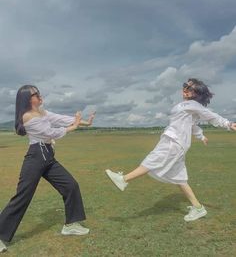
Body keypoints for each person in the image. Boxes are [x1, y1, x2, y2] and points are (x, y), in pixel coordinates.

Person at [105, 78, 236, 222]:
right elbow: (192, 125)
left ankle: (123, 179)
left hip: (174, 142)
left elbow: (211, 115)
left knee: (152, 159)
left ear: (195, 94)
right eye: (185, 85)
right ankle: (198, 208)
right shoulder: (187, 106)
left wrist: (228, 124)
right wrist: (201, 136)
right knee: (180, 178)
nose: (185, 88)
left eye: (189, 87)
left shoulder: (192, 105)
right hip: (176, 141)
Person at [0, 85, 95, 253]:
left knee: (70, 185)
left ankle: (71, 225)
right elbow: (51, 132)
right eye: (35, 94)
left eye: (38, 92)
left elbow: (59, 119)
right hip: (36, 158)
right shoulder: (28, 117)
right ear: (27, 99)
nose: (39, 95)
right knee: (22, 196)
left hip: (48, 157)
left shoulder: (41, 112)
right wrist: (74, 126)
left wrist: (85, 123)